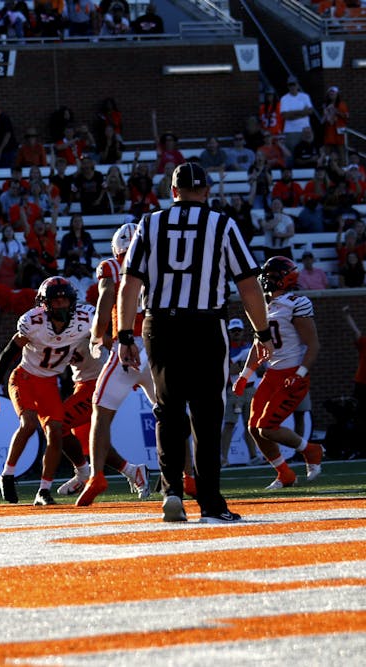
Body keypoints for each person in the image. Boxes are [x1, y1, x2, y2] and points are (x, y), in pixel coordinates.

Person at [117, 162, 272, 523]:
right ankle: (211, 502)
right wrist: (262, 333)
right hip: (205, 326)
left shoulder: (150, 224)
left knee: (168, 411)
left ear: (173, 192)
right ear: (206, 192)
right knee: (207, 413)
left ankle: (172, 490)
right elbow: (248, 285)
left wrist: (124, 334)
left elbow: (130, 284)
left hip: (160, 325)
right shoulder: (222, 224)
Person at [0, 277, 93, 506]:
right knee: (29, 423)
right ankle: (7, 474)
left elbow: (105, 330)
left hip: (49, 382)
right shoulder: (33, 321)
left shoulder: (85, 319)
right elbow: (8, 353)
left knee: (55, 431)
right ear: (45, 304)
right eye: (56, 301)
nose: (61, 305)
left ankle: (43, 490)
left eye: (65, 300)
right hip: (25, 378)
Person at [75, 224, 162, 506]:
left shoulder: (111, 267)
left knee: (100, 411)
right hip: (157, 345)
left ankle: (97, 475)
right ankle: (186, 476)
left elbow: (105, 304)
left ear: (116, 249)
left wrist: (97, 337)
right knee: (169, 414)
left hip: (126, 347)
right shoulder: (159, 265)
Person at [233, 257, 323, 489]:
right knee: (254, 428)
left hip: (292, 372)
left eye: (272, 275)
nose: (266, 280)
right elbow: (258, 346)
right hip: (272, 374)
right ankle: (285, 474)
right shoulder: (262, 305)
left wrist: (301, 373)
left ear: (286, 278)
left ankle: (311, 450)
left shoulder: (297, 302)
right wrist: (244, 376)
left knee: (267, 427)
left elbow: (313, 345)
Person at [220, 318, 261, 467]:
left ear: (243, 332)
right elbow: (231, 370)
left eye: (238, 331)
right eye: (233, 331)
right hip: (235, 392)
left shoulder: (249, 347)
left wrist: (242, 365)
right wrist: (244, 364)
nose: (236, 334)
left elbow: (258, 365)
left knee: (251, 424)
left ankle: (254, 455)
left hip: (250, 389)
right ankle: (223, 457)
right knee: (230, 424)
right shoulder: (227, 349)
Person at [279, 75, 313, 151]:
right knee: (293, 153)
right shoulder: (284, 99)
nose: (292, 87)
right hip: (291, 131)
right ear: (288, 86)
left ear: (297, 84)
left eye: (293, 84)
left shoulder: (305, 96)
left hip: (306, 130)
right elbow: (285, 116)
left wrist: (292, 113)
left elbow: (310, 111)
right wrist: (303, 112)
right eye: (290, 85)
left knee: (308, 152)